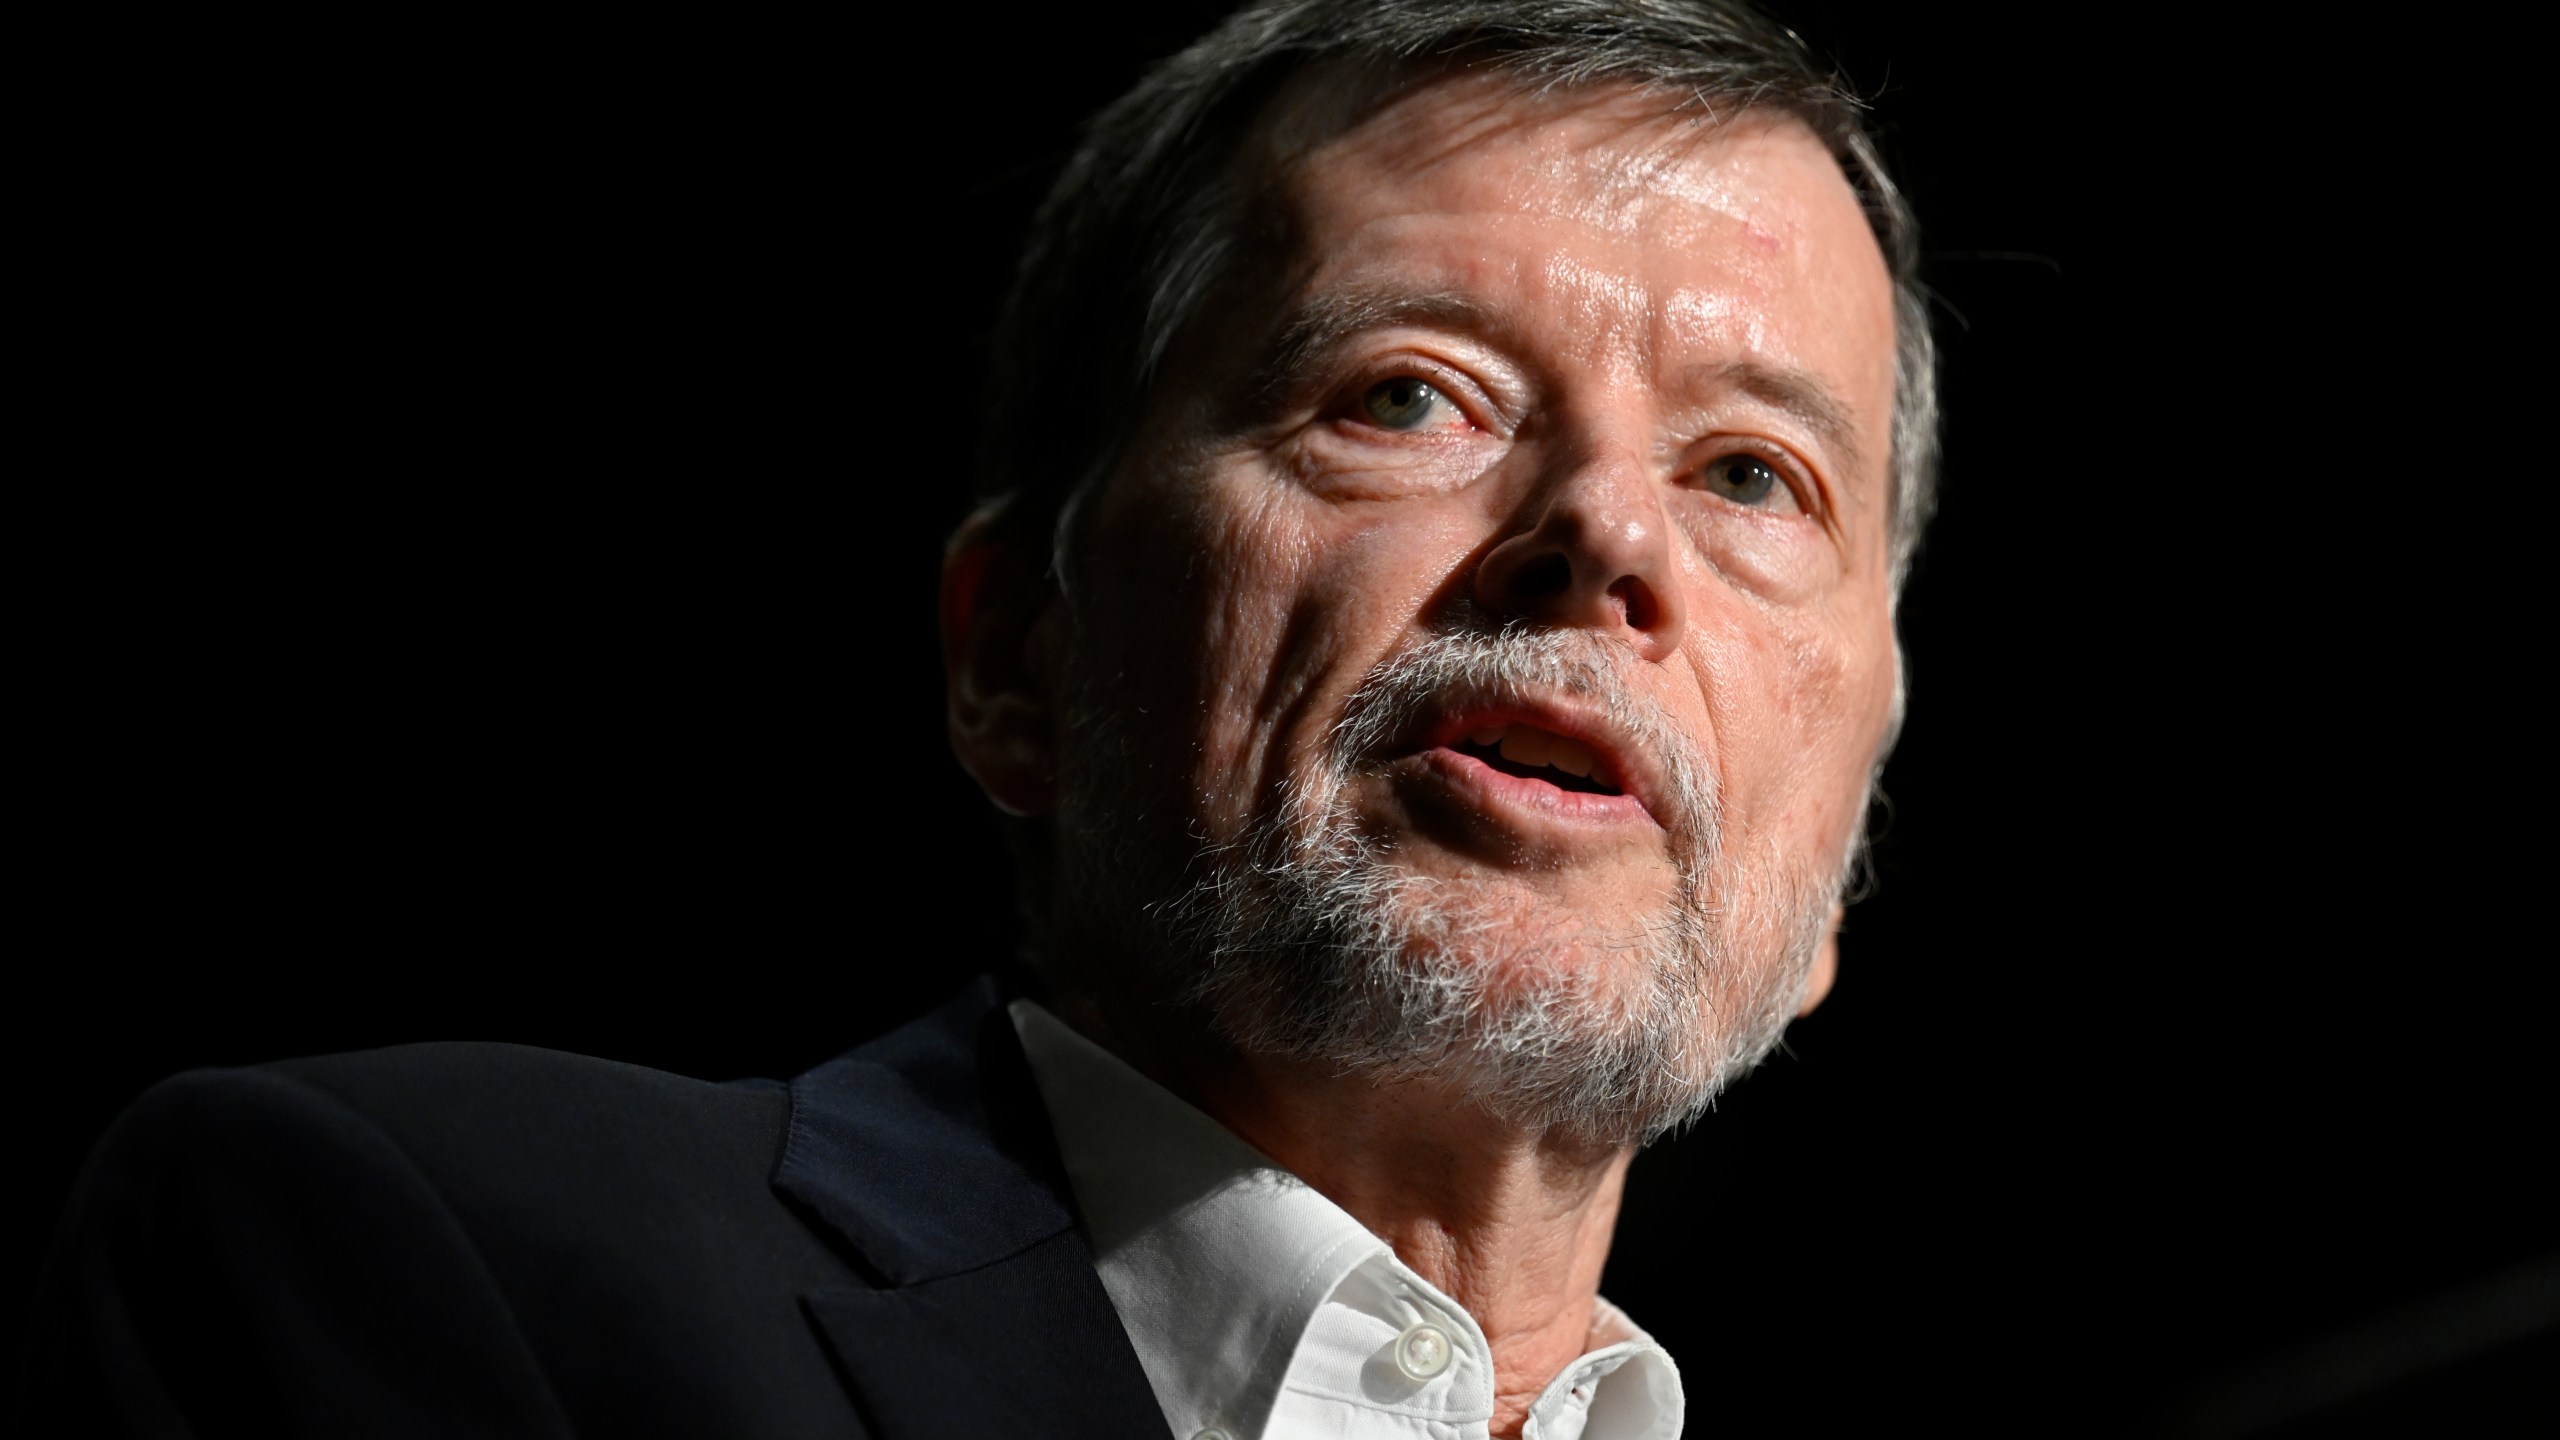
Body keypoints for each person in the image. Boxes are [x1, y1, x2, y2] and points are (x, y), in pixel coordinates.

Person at [25, 2, 1933, 1436]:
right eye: (1412, 397)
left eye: (1756, 477)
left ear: (1842, 852)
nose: (1605, 533)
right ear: (1014, 655)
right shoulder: (448, 1267)